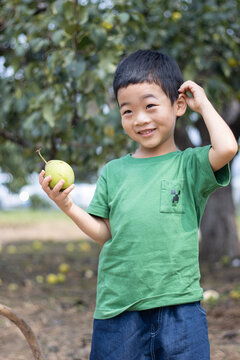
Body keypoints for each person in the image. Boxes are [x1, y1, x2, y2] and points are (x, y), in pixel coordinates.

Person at [39, 49, 238, 360]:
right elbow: (104, 232)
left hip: (180, 308)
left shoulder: (189, 165)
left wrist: (204, 104)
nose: (139, 119)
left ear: (179, 105)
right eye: (127, 111)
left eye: (150, 106)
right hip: (119, 310)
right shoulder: (114, 172)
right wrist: (67, 205)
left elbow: (226, 147)